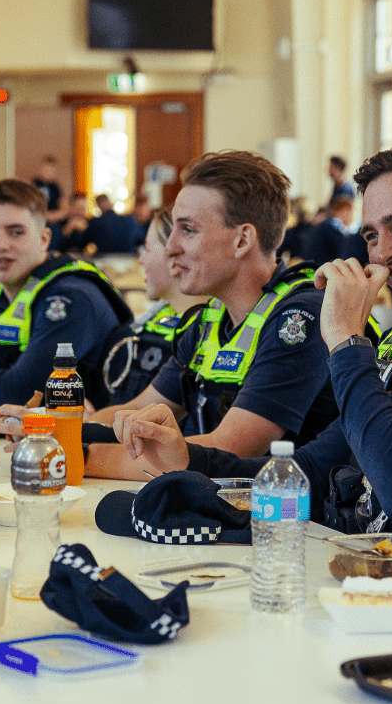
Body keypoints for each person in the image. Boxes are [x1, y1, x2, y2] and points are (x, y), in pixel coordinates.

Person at [114, 142, 392, 563]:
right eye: (371, 235)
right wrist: (189, 459)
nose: (382, 252)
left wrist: (347, 342)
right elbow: (311, 472)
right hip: (354, 575)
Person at [80, 150, 344, 480]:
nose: (171, 247)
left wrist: (76, 457)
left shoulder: (299, 316)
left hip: (293, 525)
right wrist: (55, 425)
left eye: (188, 230)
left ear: (243, 239)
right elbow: (134, 412)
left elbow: (228, 448)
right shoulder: (209, 317)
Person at [0, 178, 133, 410]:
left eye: (16, 232)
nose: (1, 245)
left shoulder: (72, 297)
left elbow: (21, 392)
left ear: (44, 239)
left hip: (85, 442)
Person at [99, 208, 206, 406]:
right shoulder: (161, 314)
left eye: (147, 249)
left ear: (175, 259)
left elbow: (141, 413)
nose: (141, 259)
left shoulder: (203, 332)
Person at [69, 193, 144, 255]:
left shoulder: (95, 222)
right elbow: (141, 239)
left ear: (98, 206)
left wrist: (76, 231)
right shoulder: (129, 220)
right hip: (129, 262)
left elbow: (81, 244)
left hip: (104, 263)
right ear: (110, 203)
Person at [303, 195, 357, 265]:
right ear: (345, 210)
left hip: (310, 269)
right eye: (351, 212)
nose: (351, 216)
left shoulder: (325, 225)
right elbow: (343, 253)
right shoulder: (334, 227)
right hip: (319, 270)